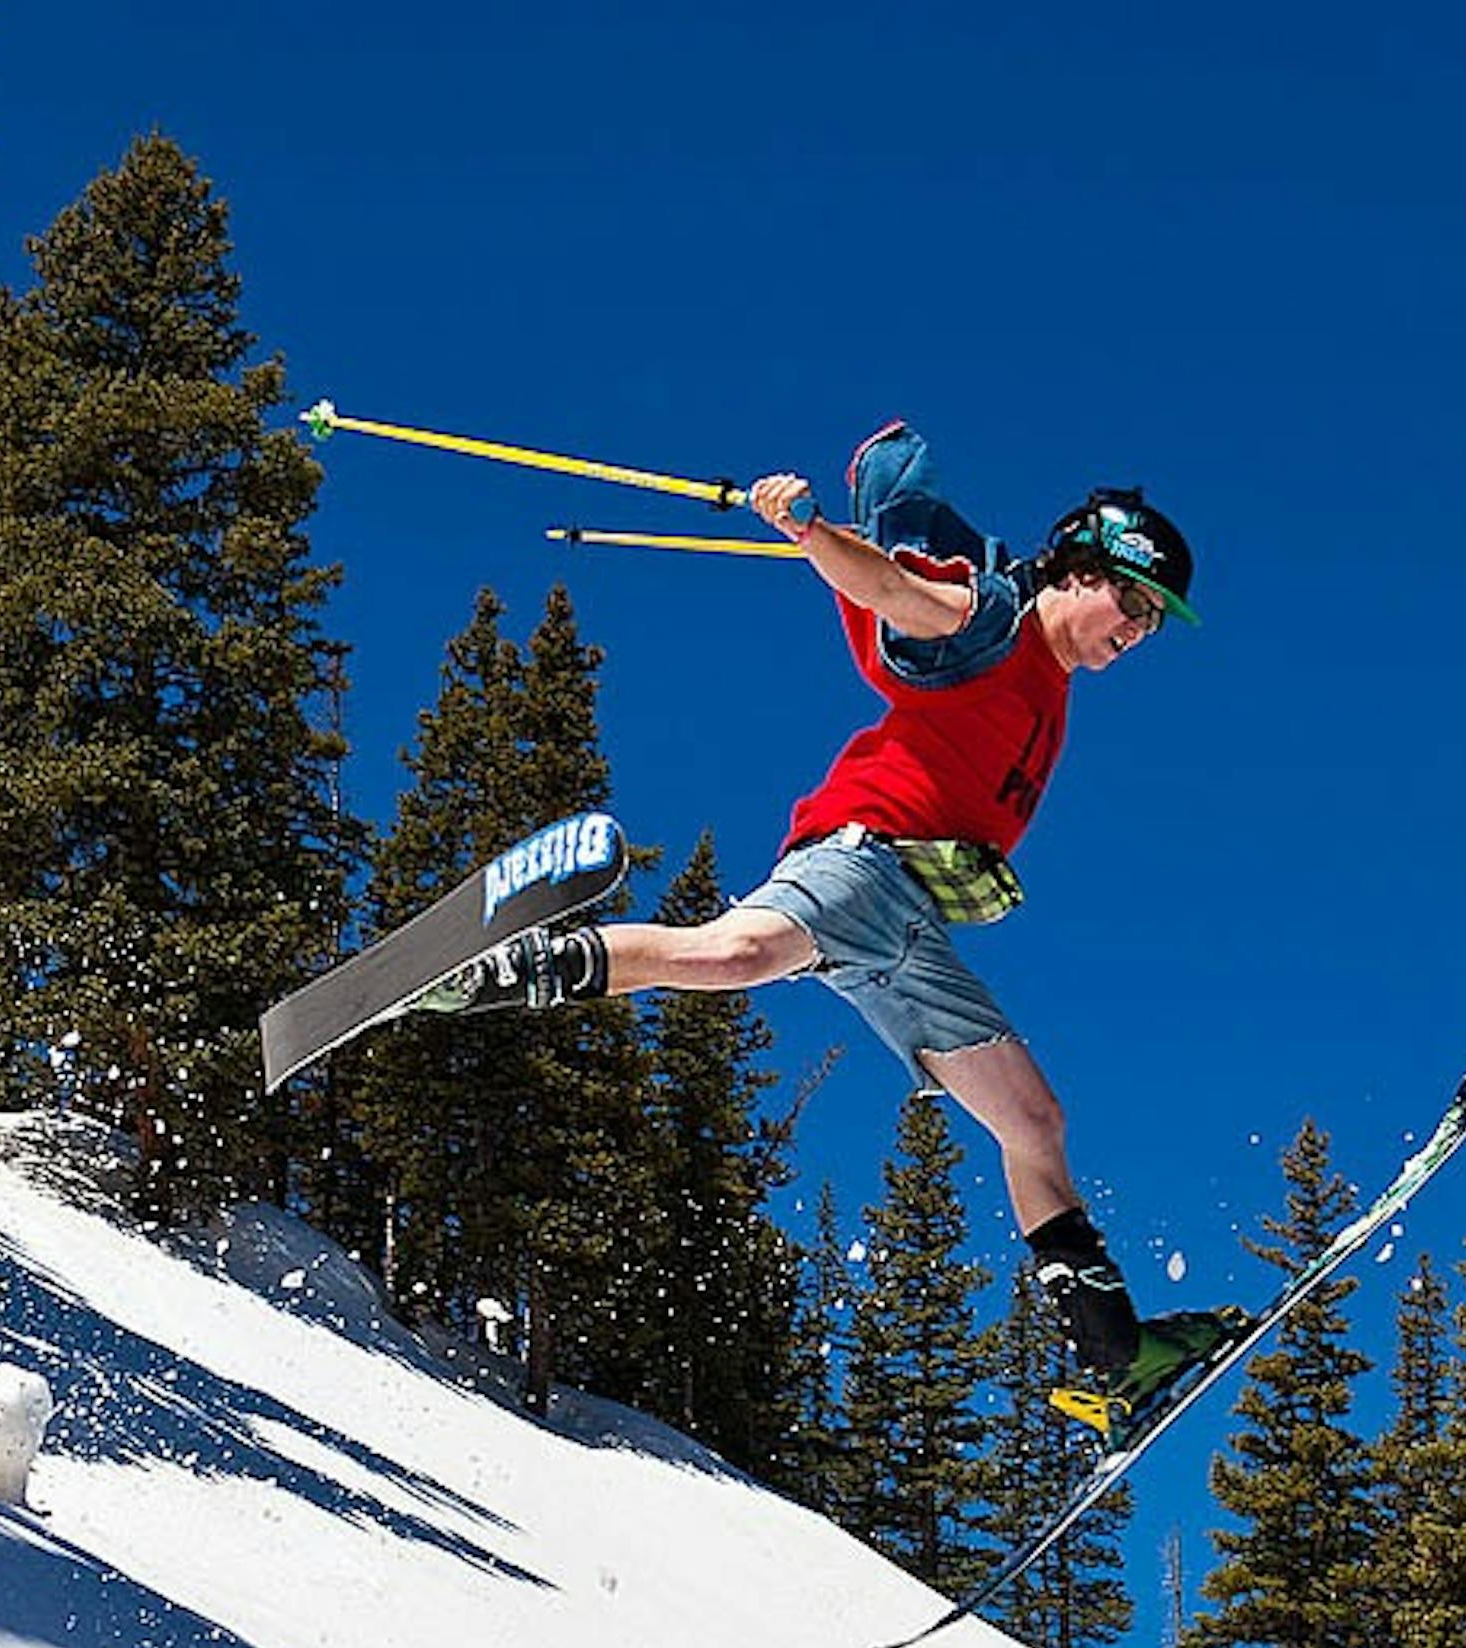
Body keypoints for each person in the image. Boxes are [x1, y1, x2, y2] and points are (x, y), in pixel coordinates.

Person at [418, 420, 1236, 1438]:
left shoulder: (1051, 690)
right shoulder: (996, 620)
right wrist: (811, 529)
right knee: (734, 951)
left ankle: (1114, 1359)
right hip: (859, 862)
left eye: (1157, 619)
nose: (1141, 628)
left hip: (907, 933)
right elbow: (895, 594)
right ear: (1075, 570)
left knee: (1032, 1125)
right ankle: (494, 969)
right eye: (1135, 600)